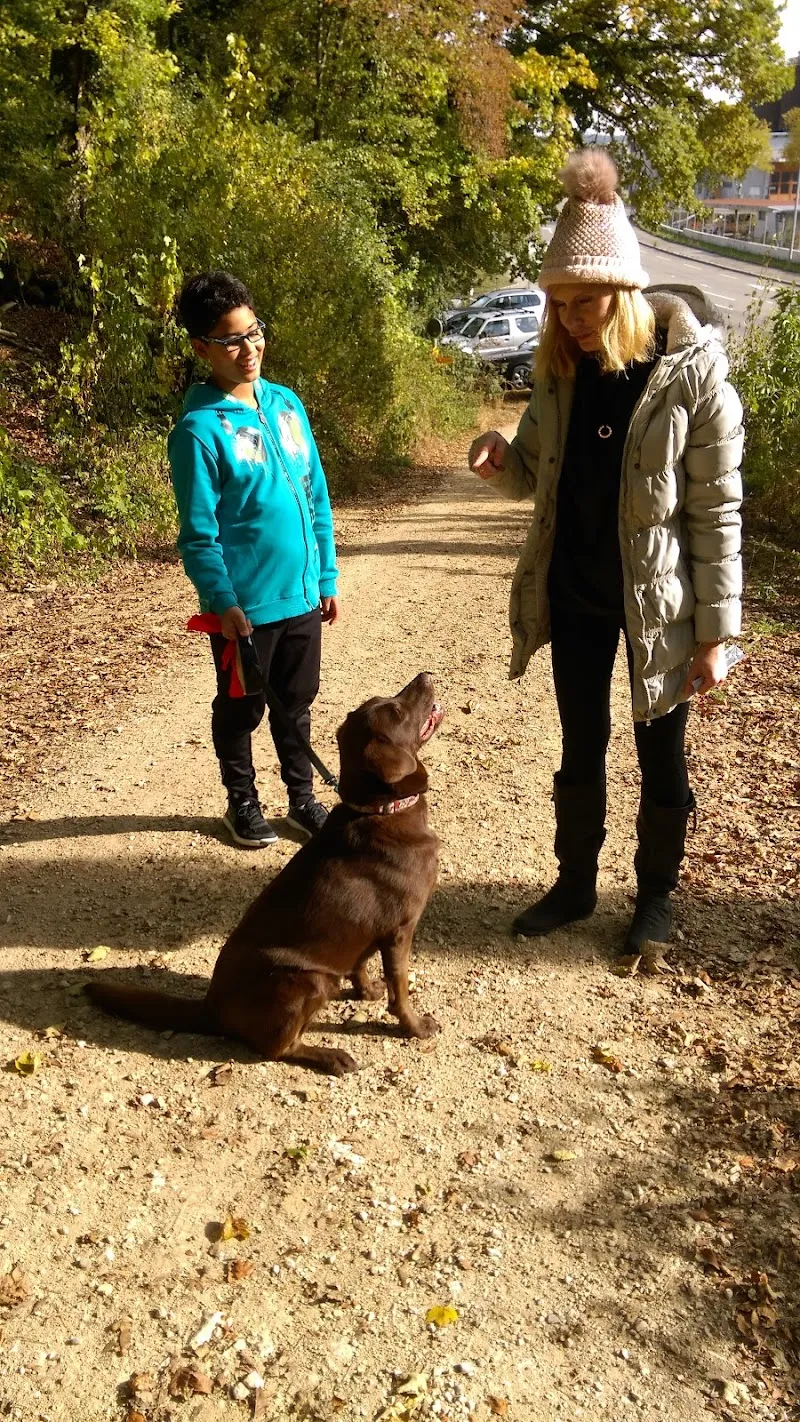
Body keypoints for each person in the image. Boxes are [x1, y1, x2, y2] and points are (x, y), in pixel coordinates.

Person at [469, 150, 743, 957]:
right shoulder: (557, 370)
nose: (571, 318)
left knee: (662, 748)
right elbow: (531, 475)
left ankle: (655, 897)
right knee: (579, 742)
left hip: (659, 601)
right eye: (559, 304)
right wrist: (496, 457)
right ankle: (576, 882)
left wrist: (716, 632)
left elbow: (715, 509)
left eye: (585, 302)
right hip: (578, 590)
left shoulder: (691, 374)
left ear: (623, 292)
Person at [169, 270, 340, 849]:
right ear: (202, 348)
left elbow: (315, 492)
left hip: (301, 596)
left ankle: (302, 800)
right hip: (244, 609)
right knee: (242, 708)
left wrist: (325, 574)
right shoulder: (198, 432)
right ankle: (241, 802)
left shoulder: (287, 404)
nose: (250, 349)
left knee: (297, 703)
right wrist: (224, 602)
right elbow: (198, 535)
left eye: (255, 331)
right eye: (232, 340)